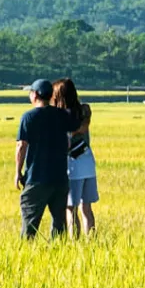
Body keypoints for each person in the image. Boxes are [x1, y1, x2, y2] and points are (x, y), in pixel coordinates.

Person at [14, 79, 73, 239]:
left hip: (37, 178)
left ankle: (26, 255)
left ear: (35, 95)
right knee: (59, 224)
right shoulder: (62, 115)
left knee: (29, 226)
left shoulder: (29, 117)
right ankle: (59, 254)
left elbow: (21, 146)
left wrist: (18, 172)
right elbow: (68, 141)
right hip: (60, 178)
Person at [54, 78, 97, 237]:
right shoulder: (84, 111)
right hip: (88, 164)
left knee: (70, 208)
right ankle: (91, 241)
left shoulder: (62, 116)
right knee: (86, 208)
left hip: (72, 166)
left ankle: (74, 242)